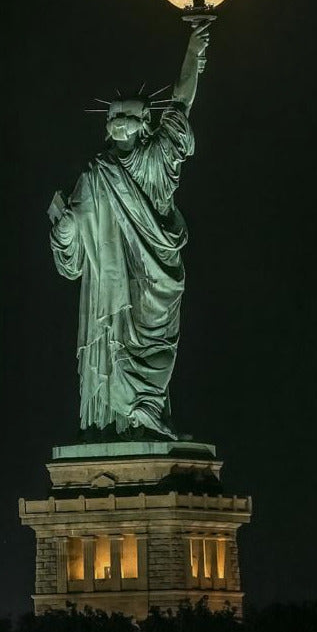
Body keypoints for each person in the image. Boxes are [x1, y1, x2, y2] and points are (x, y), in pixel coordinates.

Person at [49, 23, 210, 439]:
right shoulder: (95, 175)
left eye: (129, 116)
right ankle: (114, 423)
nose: (120, 122)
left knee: (156, 345)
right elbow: (71, 250)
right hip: (111, 285)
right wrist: (64, 227)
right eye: (115, 117)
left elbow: (181, 102)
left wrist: (194, 49)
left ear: (145, 123)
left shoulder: (158, 158)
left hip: (156, 277)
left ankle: (146, 410)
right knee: (113, 337)